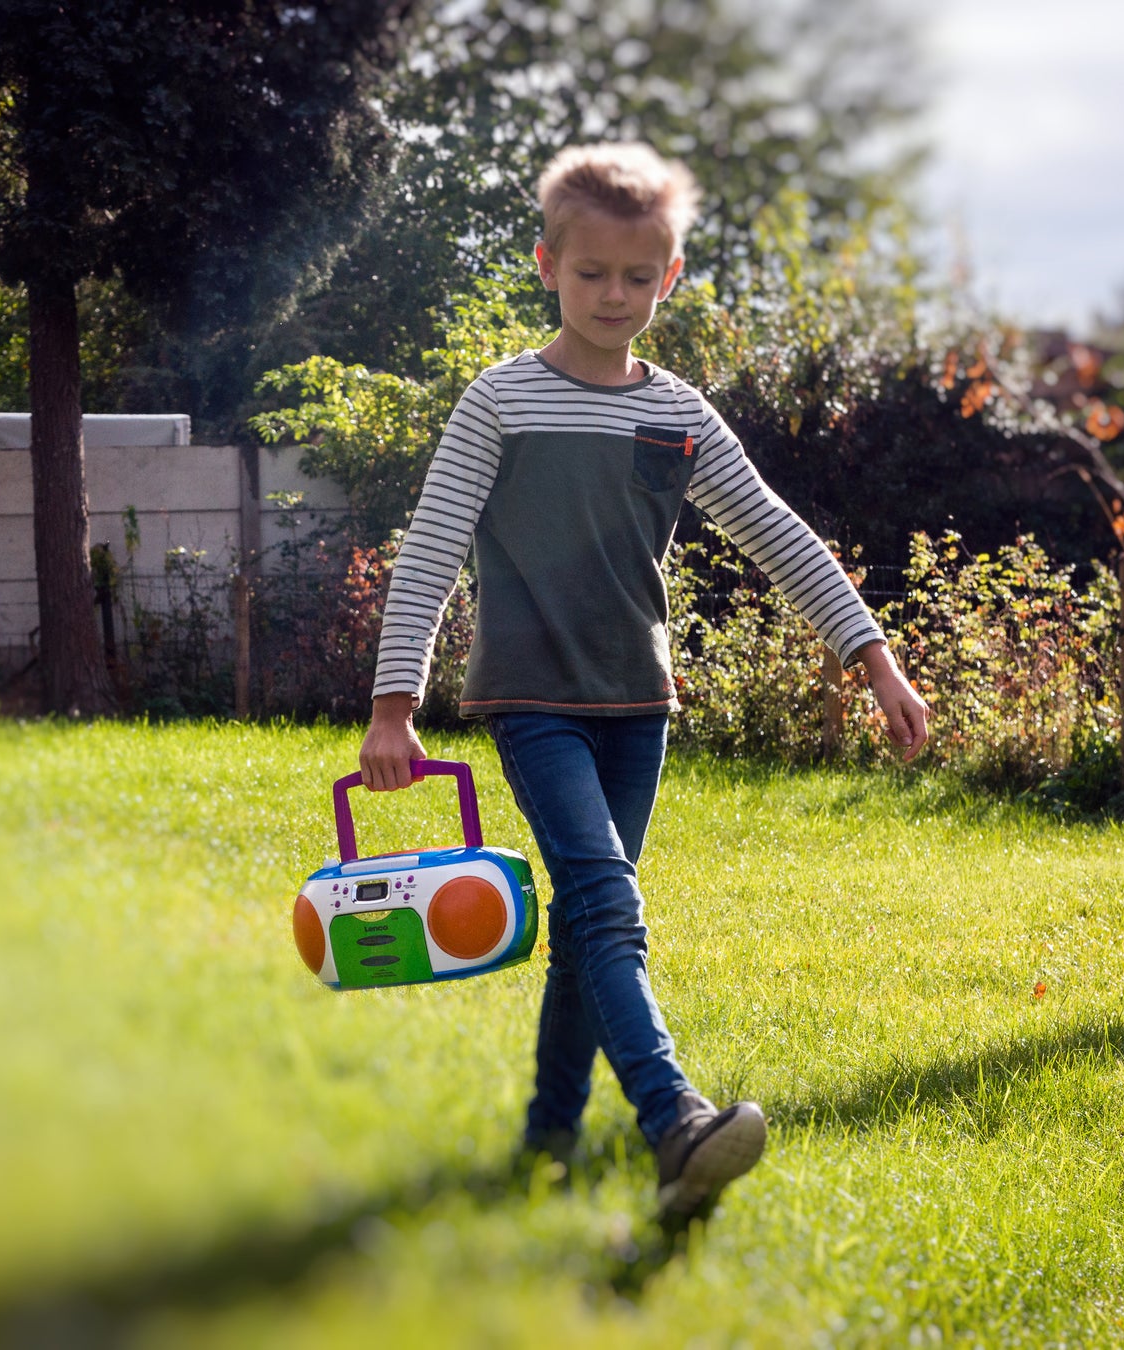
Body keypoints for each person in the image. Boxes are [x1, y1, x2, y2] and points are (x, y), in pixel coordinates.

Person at [358, 142, 930, 1220]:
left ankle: (547, 1140)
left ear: (670, 277)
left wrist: (873, 657)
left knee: (586, 921)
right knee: (608, 903)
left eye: (636, 276)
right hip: (532, 698)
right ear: (547, 266)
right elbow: (432, 546)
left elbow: (777, 534)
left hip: (638, 705)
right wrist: (396, 707)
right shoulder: (499, 402)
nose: (613, 295)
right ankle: (673, 1119)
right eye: (590, 273)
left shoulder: (679, 414)